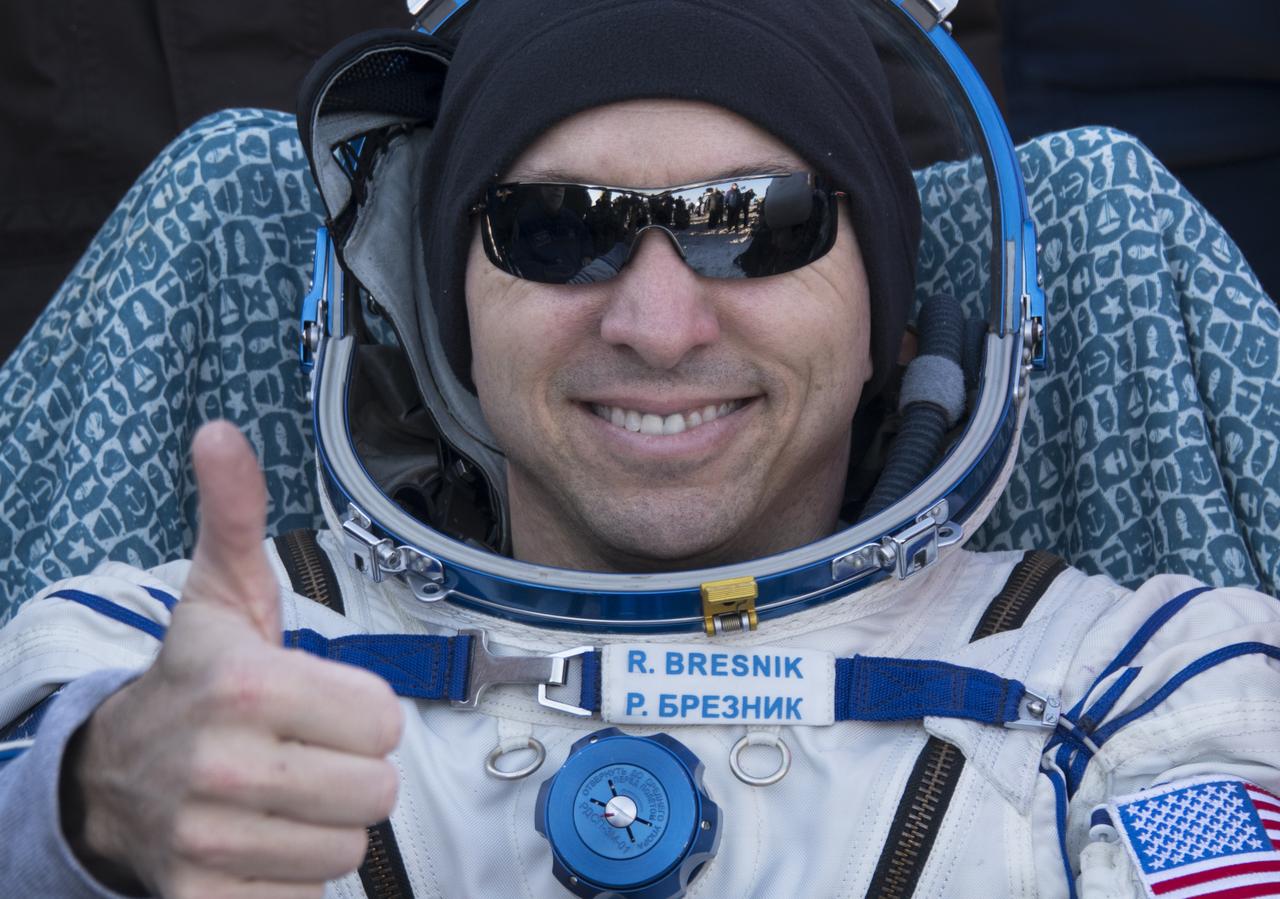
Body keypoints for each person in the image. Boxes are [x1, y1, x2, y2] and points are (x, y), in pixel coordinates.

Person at [1, 1, 1278, 898]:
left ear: (892, 311)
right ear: (447, 316)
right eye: (556, 230)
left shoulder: (1139, 686)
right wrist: (86, 810)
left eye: (753, 222)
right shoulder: (161, 667)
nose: (657, 326)